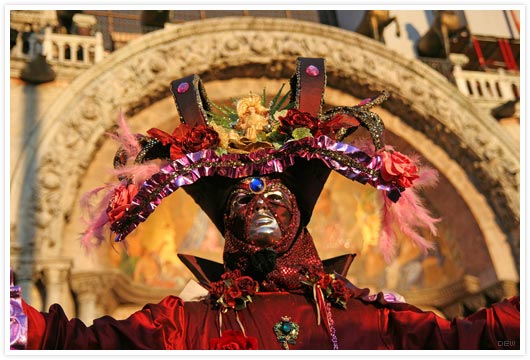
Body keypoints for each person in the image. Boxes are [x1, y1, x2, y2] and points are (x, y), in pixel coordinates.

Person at [10, 58, 519, 350]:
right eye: (243, 201)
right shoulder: (182, 323)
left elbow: (468, 339)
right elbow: (71, 344)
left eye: (276, 197)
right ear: (226, 224)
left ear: (300, 215)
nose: (260, 206)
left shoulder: (369, 319)